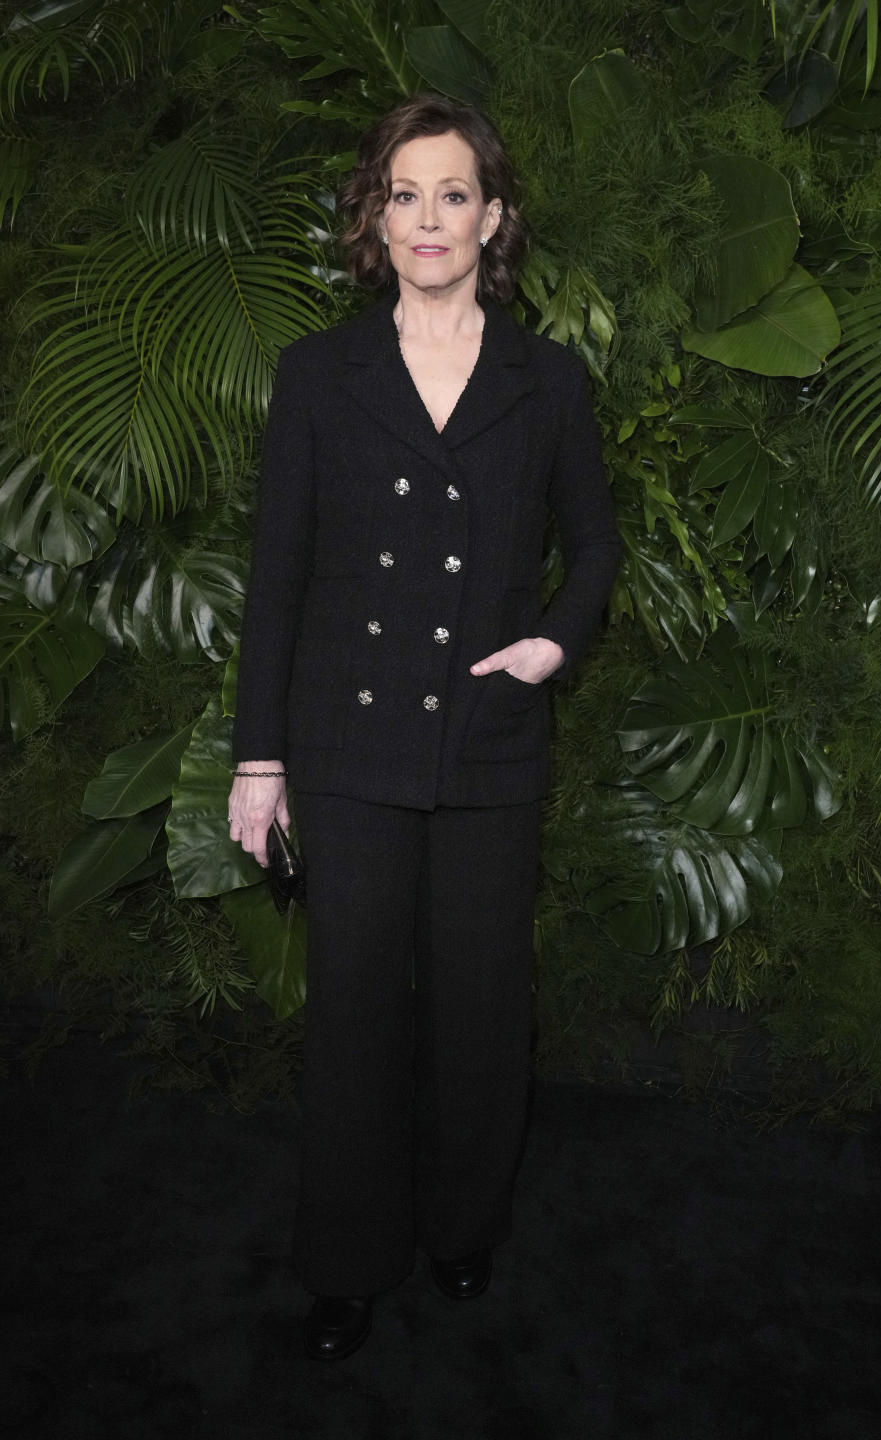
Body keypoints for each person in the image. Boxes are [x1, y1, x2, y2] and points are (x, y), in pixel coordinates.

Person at [227, 93, 621, 1362]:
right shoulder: (319, 375)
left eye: (454, 193)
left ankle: (463, 1231)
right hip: (347, 752)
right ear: (377, 217)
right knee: (352, 1014)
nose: (429, 217)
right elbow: (276, 575)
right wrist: (259, 757)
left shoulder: (547, 381)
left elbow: (597, 550)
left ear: (492, 216)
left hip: (491, 745)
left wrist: (554, 639)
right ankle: (346, 1260)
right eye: (406, 194)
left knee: (479, 1013)